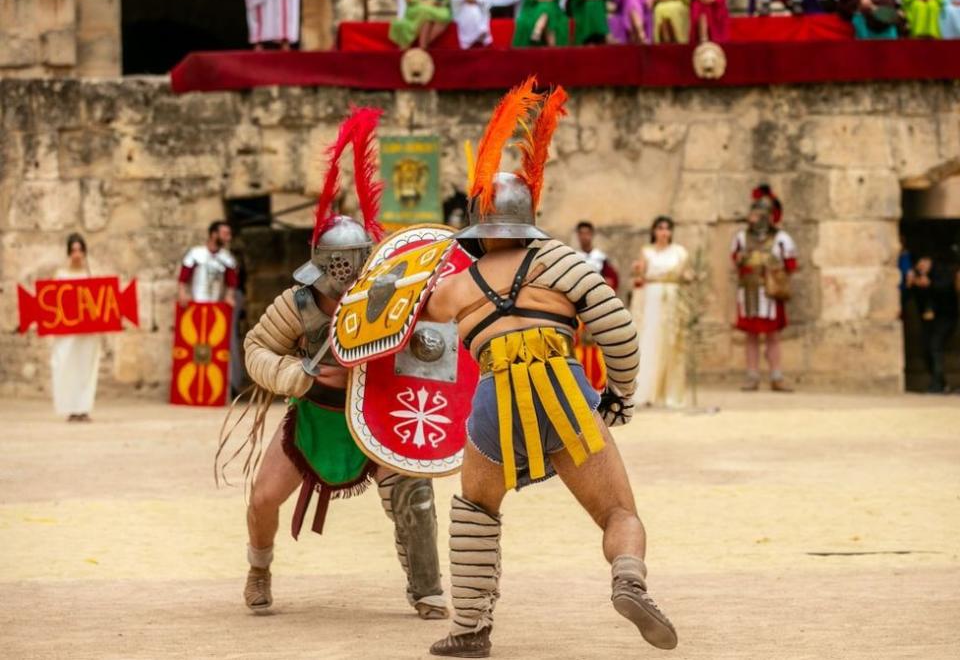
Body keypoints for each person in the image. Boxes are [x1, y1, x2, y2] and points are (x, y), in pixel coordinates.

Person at [423, 78, 677, 658]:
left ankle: (470, 630)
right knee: (617, 512)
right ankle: (628, 578)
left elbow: (408, 331)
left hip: (494, 401)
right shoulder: (562, 260)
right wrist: (619, 394)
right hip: (564, 391)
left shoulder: (456, 286)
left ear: (478, 226)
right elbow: (617, 330)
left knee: (476, 512)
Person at [216, 108, 448, 619]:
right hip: (316, 415)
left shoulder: (394, 298)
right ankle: (259, 569)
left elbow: (430, 344)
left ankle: (427, 589)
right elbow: (256, 348)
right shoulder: (298, 304)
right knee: (261, 498)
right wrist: (294, 375)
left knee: (413, 493)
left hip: (378, 415)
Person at [730, 185, 798, 392]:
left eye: (761, 214)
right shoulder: (742, 237)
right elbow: (735, 258)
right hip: (748, 292)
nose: (756, 218)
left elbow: (791, 265)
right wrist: (741, 259)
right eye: (754, 213)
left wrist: (773, 266)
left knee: (773, 336)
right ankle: (752, 376)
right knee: (750, 336)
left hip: (770, 293)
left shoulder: (781, 238)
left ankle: (776, 376)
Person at [631, 216, 690, 408]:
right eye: (660, 228)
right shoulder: (646, 252)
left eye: (667, 228)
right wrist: (637, 271)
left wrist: (690, 276)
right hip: (652, 298)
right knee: (650, 341)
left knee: (671, 343)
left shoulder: (680, 252)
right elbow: (640, 278)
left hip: (673, 298)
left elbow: (685, 275)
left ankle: (670, 393)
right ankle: (646, 392)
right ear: (654, 231)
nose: (664, 232)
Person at [51, 233, 100, 423]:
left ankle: (84, 408)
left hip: (88, 333)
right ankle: (70, 408)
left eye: (80, 250)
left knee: (86, 368)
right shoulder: (61, 276)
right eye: (73, 250)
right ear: (69, 253)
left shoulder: (91, 276)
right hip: (67, 334)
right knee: (67, 367)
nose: (77, 254)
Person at [573, 220, 620, 391]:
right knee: (579, 345)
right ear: (578, 235)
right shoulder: (573, 257)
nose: (584, 236)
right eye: (581, 233)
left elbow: (613, 279)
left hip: (598, 307)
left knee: (598, 344)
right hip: (578, 307)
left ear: (591, 235)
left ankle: (600, 382)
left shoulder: (601, 259)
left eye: (587, 233)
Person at [907, 255, 959, 393]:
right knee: (926, 348)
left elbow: (946, 289)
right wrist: (912, 284)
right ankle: (940, 382)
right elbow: (912, 296)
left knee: (935, 345)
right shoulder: (917, 274)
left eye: (924, 262)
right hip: (928, 319)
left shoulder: (942, 272)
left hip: (945, 317)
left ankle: (937, 384)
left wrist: (930, 284)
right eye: (919, 263)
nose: (921, 266)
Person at [178, 221, 238, 308]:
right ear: (214, 234)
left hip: (216, 305)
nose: (228, 238)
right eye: (225, 234)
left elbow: (232, 282)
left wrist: (229, 296)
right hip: (195, 303)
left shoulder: (228, 258)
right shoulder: (195, 253)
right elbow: (183, 278)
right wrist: (182, 294)